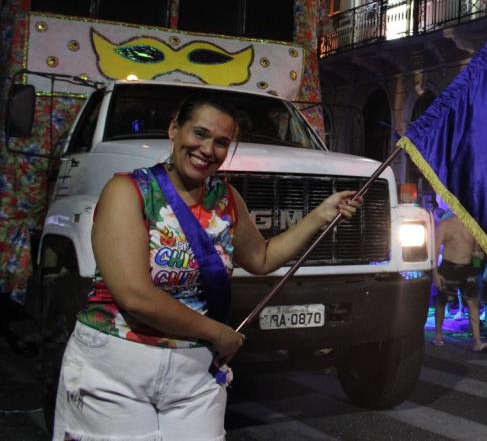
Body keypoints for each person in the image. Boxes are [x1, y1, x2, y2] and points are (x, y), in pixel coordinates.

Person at [53, 95, 361, 439]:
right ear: (174, 129)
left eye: (221, 142)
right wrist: (218, 334)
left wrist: (321, 215)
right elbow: (134, 295)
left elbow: (261, 258)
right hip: (117, 368)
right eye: (199, 133)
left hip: (195, 372)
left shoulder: (226, 199)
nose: (208, 149)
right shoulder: (128, 191)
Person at [433, 211, 487, 351]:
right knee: (441, 302)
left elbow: (477, 251)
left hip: (468, 269)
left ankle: (477, 342)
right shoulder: (446, 223)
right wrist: (435, 274)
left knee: (473, 303)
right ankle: (438, 334)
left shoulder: (473, 225)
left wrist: (477, 260)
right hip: (448, 267)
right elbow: (434, 251)